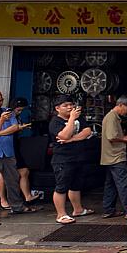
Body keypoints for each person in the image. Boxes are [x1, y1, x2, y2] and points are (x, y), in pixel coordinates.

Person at [0, 89, 36, 223]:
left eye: (0, 100)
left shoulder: (7, 112)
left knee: (13, 180)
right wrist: (1, 122)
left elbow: (15, 128)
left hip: (8, 152)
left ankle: (17, 206)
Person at [48, 95, 95, 224]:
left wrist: (72, 139)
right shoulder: (55, 122)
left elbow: (87, 131)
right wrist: (72, 119)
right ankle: (61, 214)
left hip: (79, 156)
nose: (70, 107)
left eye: (71, 104)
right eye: (65, 105)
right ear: (57, 108)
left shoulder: (80, 118)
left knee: (76, 185)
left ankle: (78, 209)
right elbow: (64, 134)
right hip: (63, 159)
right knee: (61, 186)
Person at [0, 97, 43, 207]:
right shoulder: (6, 115)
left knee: (24, 171)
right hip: (5, 146)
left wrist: (20, 127)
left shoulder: (15, 117)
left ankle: (27, 196)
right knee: (3, 174)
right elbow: (3, 130)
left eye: (21, 110)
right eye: (18, 110)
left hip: (15, 145)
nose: (20, 112)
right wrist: (17, 128)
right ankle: (3, 200)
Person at [100, 95, 127, 218]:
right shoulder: (111, 118)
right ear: (120, 105)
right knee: (122, 184)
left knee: (110, 185)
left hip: (109, 157)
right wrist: (125, 138)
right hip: (115, 157)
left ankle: (108, 209)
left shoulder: (112, 117)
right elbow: (111, 136)